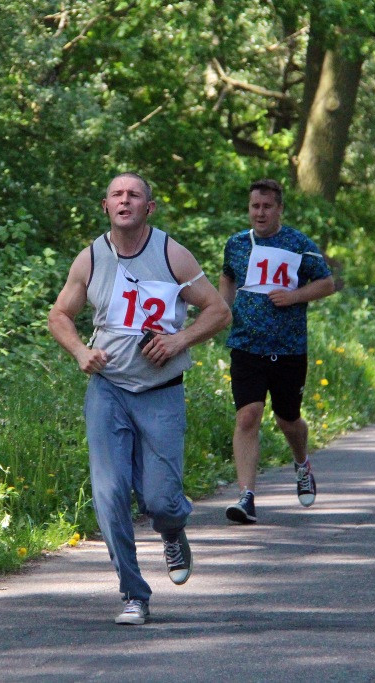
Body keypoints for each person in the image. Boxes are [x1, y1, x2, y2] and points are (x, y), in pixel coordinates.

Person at [47, 172, 231, 625]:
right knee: (109, 495)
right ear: (105, 206)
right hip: (108, 389)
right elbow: (59, 315)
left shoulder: (172, 254)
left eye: (134, 194)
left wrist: (179, 340)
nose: (124, 200)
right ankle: (134, 594)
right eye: (116, 194)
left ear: (149, 207)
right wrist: (80, 351)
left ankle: (172, 530)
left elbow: (219, 310)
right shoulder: (90, 258)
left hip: (160, 392)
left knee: (161, 501)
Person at [218, 179, 336, 524]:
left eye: (267, 206)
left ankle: (301, 463)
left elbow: (326, 283)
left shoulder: (300, 244)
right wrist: (223, 309)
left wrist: (295, 296)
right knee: (247, 415)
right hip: (246, 344)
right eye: (255, 206)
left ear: (279, 209)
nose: (260, 212)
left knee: (288, 420)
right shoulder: (237, 244)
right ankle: (246, 497)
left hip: (288, 348)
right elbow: (227, 276)